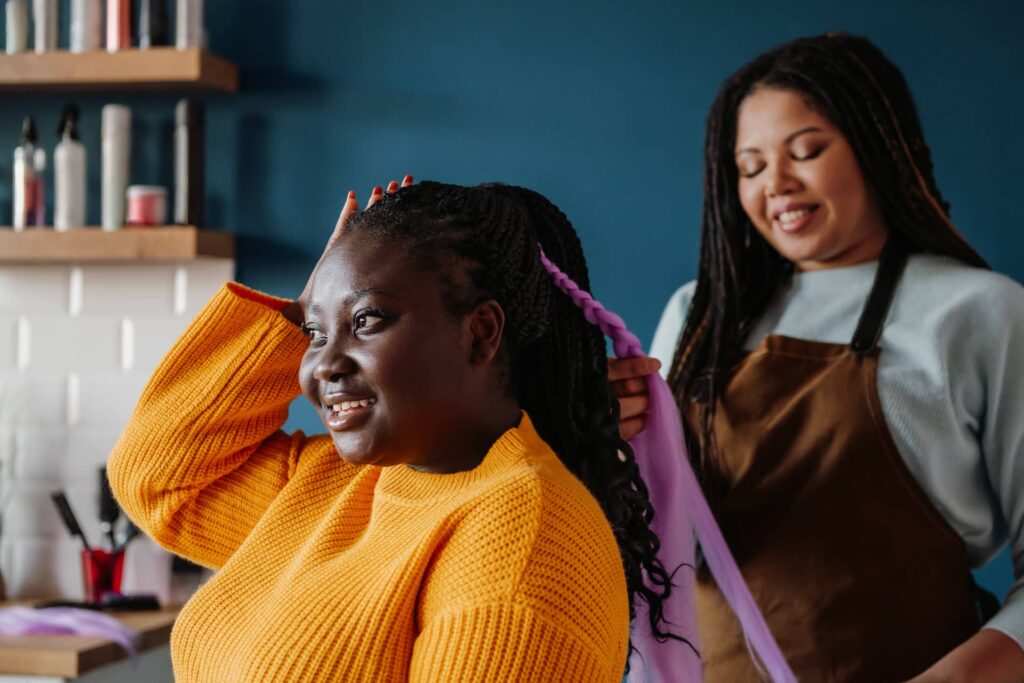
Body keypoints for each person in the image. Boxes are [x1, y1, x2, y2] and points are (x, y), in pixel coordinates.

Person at [108, 179, 679, 682]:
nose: (324, 364)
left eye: (366, 320)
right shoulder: (333, 486)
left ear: (481, 333)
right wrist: (305, 305)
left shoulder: (527, 547)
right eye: (314, 333)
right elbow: (159, 478)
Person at [612, 33, 1024, 682]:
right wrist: (613, 449)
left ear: (876, 147)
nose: (775, 184)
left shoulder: (980, 311)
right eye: (748, 167)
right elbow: (659, 549)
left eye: (805, 151)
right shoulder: (699, 316)